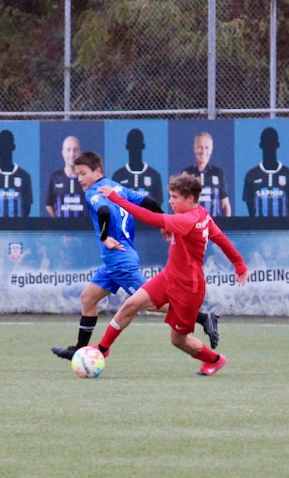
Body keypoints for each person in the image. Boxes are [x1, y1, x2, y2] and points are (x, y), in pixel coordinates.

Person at [50, 152, 220, 360]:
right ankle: (79, 349)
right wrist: (163, 224)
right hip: (114, 261)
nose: (80, 179)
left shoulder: (94, 192)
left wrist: (104, 237)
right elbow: (148, 201)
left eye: (83, 173)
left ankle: (202, 318)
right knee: (88, 297)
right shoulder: (116, 187)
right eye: (77, 174)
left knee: (148, 303)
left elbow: (103, 211)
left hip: (119, 259)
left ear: (97, 172)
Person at [94, 173, 248, 376]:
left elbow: (149, 217)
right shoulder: (201, 214)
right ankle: (102, 349)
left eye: (175, 197)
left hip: (188, 289)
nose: (170, 201)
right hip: (168, 278)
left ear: (190, 199)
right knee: (131, 304)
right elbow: (221, 239)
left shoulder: (187, 220)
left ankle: (215, 360)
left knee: (178, 340)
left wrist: (115, 198)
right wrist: (239, 265)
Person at [241, 127, 289, 217]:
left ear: (277, 145)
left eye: (272, 143)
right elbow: (250, 207)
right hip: (259, 229)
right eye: (266, 143)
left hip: (283, 229)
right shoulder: (251, 175)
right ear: (261, 145)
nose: (269, 147)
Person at [0, 129, 32, 217]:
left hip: (18, 229)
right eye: (3, 145)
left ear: (13, 147)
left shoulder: (24, 176)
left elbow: (27, 209)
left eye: (8, 145)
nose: (5, 148)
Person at [181, 131, 230, 217]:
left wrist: (228, 226)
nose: (203, 151)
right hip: (192, 227)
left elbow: (225, 205)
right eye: (200, 147)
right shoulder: (186, 174)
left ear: (211, 150)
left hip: (213, 226)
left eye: (207, 147)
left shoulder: (218, 173)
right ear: (194, 148)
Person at [111, 128, 163, 205]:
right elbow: (114, 204)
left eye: (137, 145)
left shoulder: (154, 176)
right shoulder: (118, 176)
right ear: (127, 146)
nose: (135, 148)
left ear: (143, 146)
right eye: (132, 145)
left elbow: (158, 205)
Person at [44, 135, 86, 218]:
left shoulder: (87, 178)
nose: (72, 154)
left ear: (80, 153)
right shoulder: (55, 177)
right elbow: (49, 204)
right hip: (62, 229)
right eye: (68, 150)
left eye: (75, 150)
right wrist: (57, 221)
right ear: (63, 153)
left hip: (83, 229)